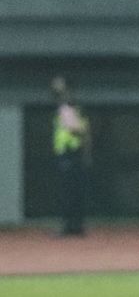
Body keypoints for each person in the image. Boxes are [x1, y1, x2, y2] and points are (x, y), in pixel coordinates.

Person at [51, 76, 91, 236]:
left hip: (70, 152)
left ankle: (70, 226)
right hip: (73, 153)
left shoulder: (67, 107)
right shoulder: (74, 107)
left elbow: (78, 130)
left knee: (69, 192)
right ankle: (76, 225)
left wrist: (72, 127)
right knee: (74, 191)